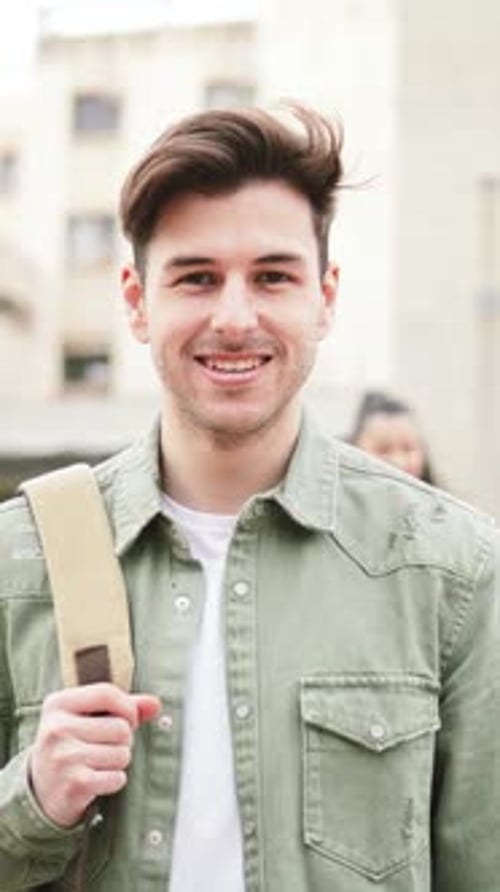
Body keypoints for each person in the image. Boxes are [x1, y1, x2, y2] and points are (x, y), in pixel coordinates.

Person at [0, 103, 498, 892]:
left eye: (273, 276)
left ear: (325, 296)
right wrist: (29, 804)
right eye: (197, 277)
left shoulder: (453, 569)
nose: (235, 318)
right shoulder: (17, 558)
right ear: (135, 300)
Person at [349, 390, 437, 483]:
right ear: (356, 450)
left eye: (408, 449)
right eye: (383, 450)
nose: (399, 462)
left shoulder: (439, 496)